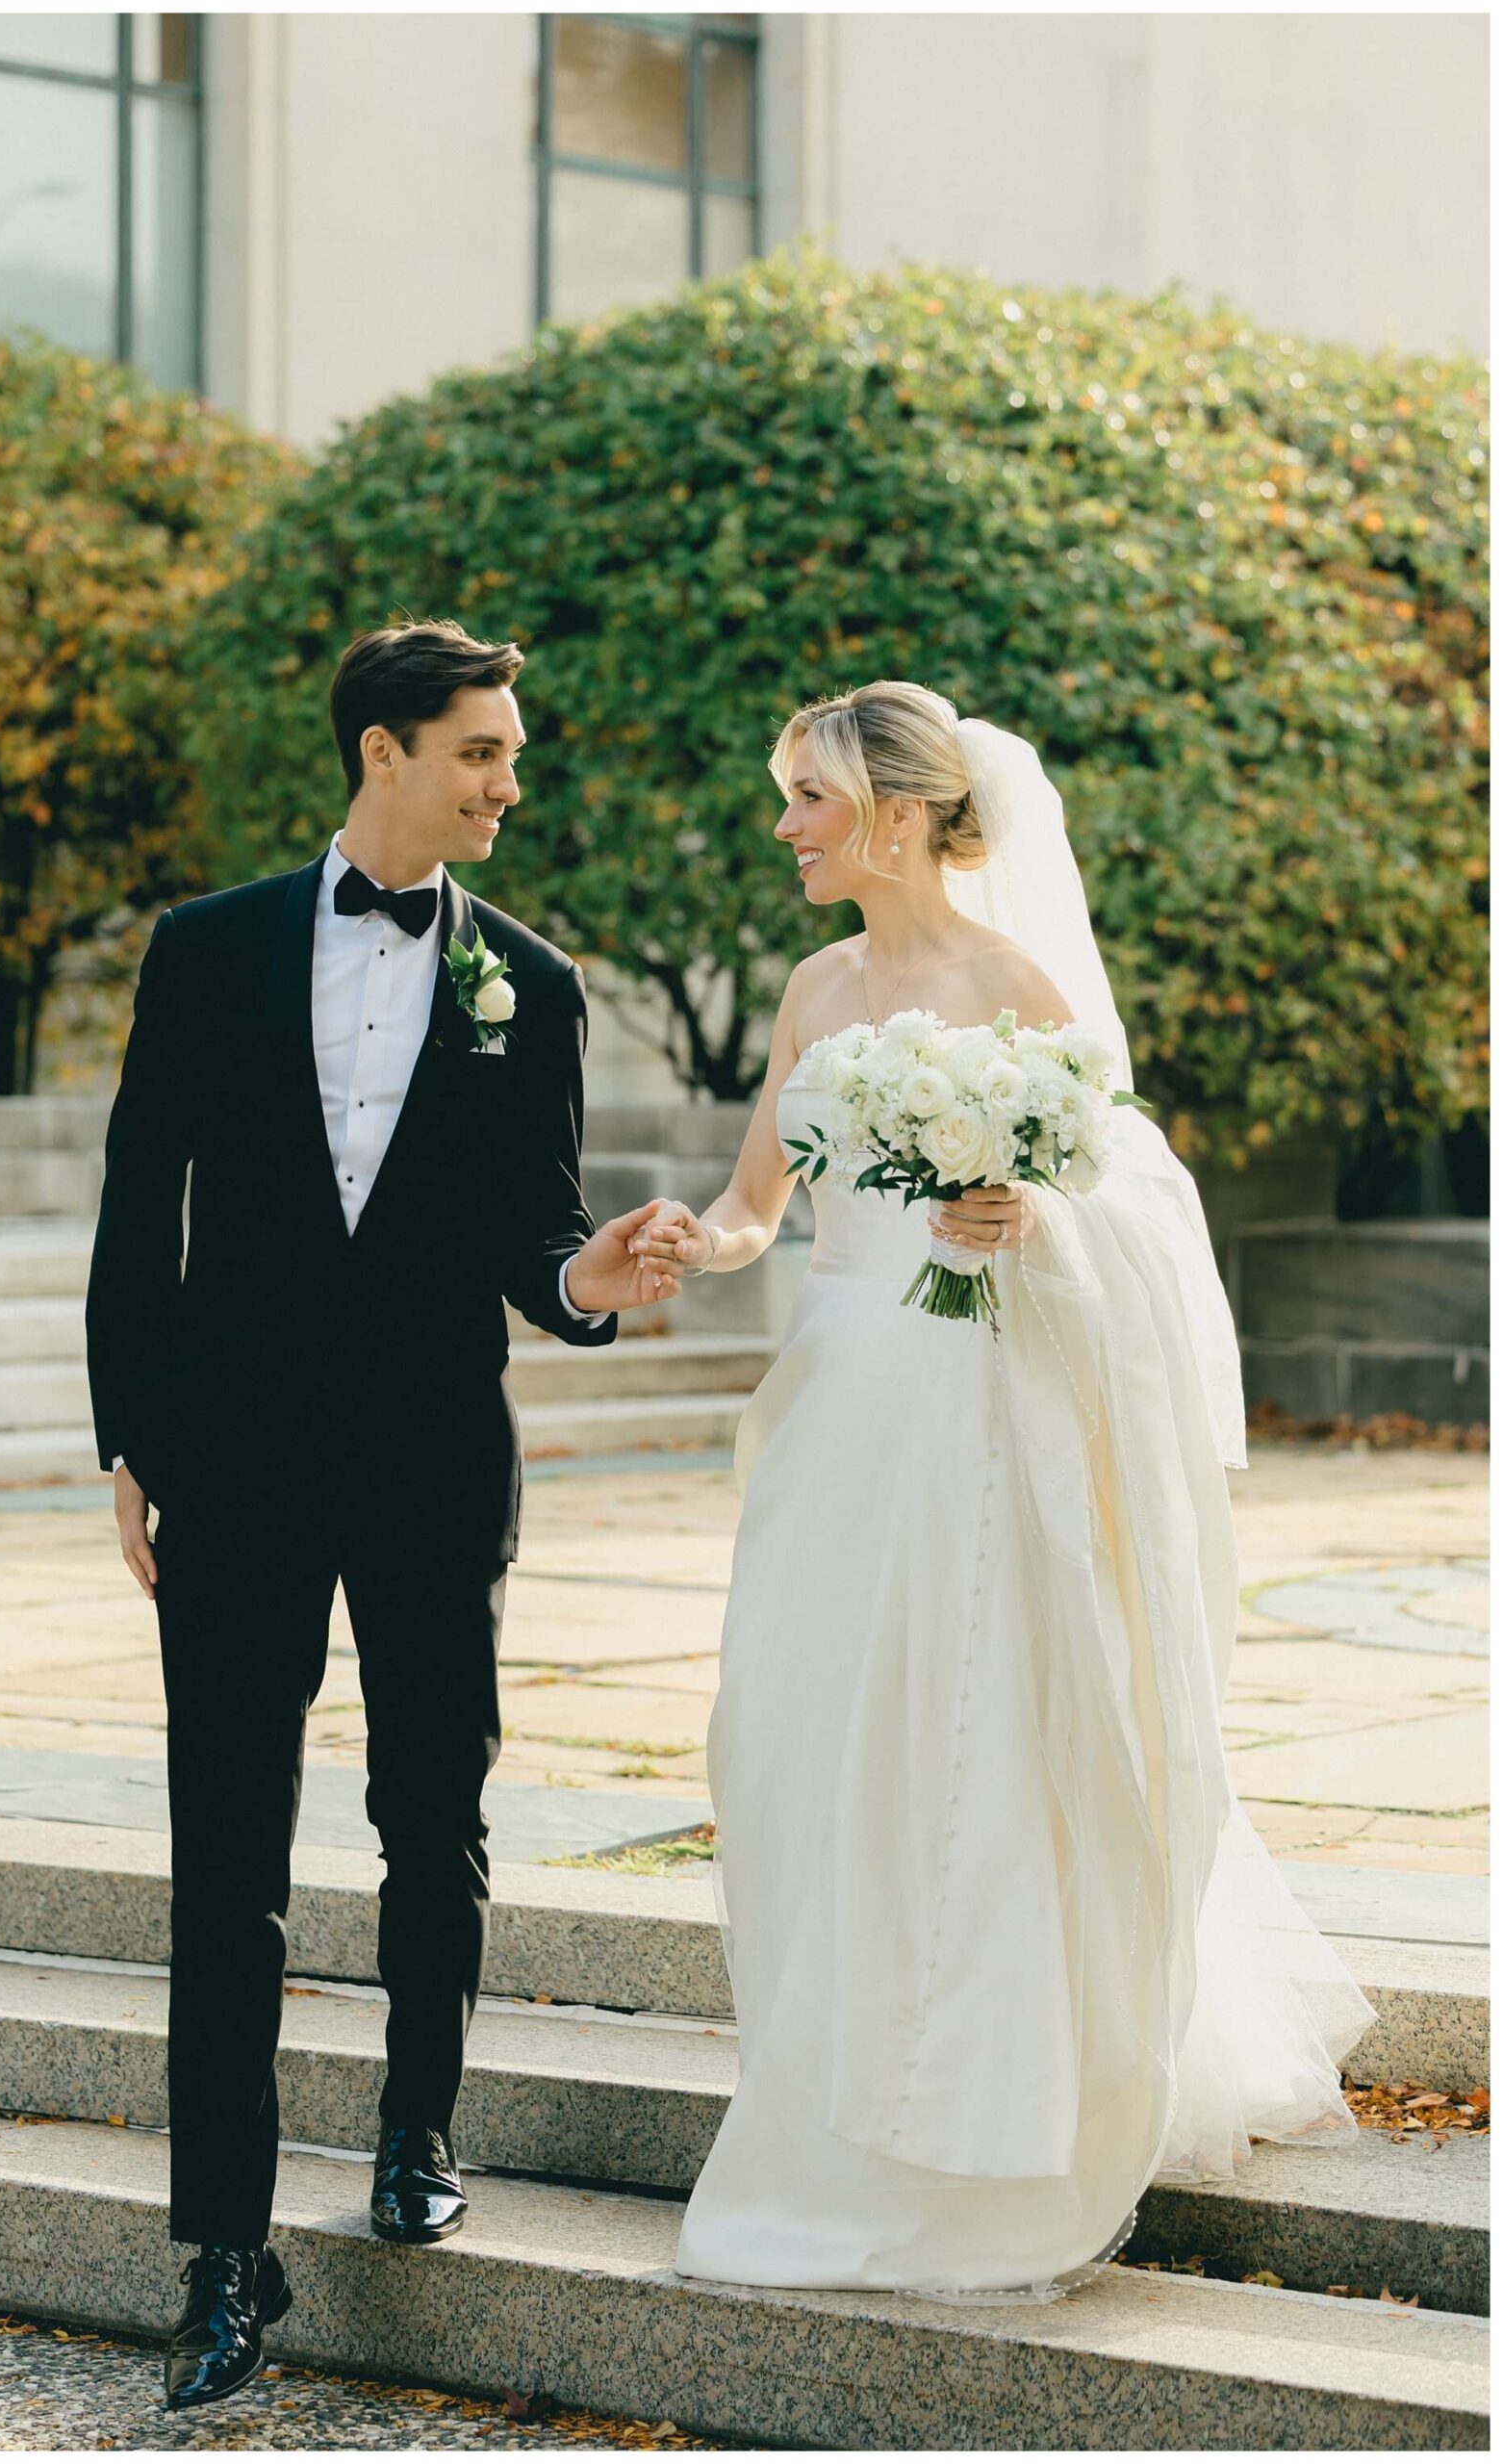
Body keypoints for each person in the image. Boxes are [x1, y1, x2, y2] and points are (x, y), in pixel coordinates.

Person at [631, 681, 1374, 2304]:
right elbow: (766, 1205)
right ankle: (827, 2104)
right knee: (808, 1746)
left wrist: (1029, 1222)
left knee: (971, 1735)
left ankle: (979, 2128)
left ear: (899, 812)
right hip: (839, 1419)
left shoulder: (1021, 984)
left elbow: (1132, 1217)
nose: (787, 827)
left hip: (980, 1423)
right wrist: (700, 1242)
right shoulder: (815, 990)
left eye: (809, 799)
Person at [86, 619, 678, 2407]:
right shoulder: (204, 954)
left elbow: (535, 1244)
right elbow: (138, 1214)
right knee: (227, 1872)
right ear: (382, 754)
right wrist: (132, 1444)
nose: (512, 781)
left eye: (510, 751)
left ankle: (418, 2131)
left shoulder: (537, 983)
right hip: (238, 1467)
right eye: (483, 751)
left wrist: (598, 1280)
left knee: (435, 1820)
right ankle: (221, 2259)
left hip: (433, 1463)